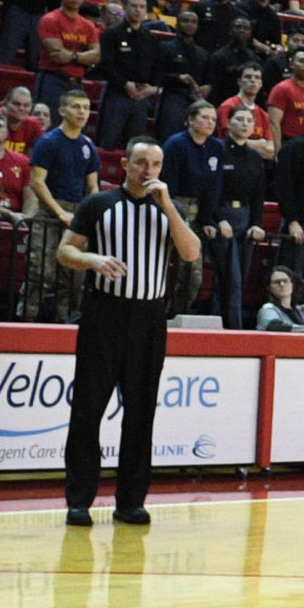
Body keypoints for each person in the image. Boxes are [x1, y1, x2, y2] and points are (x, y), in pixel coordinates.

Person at [54, 137, 200, 526]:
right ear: (124, 164)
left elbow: (190, 252)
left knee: (141, 413)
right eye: (140, 163)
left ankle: (131, 501)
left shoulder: (170, 210)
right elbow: (65, 252)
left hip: (150, 319)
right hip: (104, 314)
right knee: (88, 410)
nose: (148, 171)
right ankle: (79, 500)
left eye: (155, 164)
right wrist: (92, 259)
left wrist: (168, 206)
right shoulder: (98, 204)